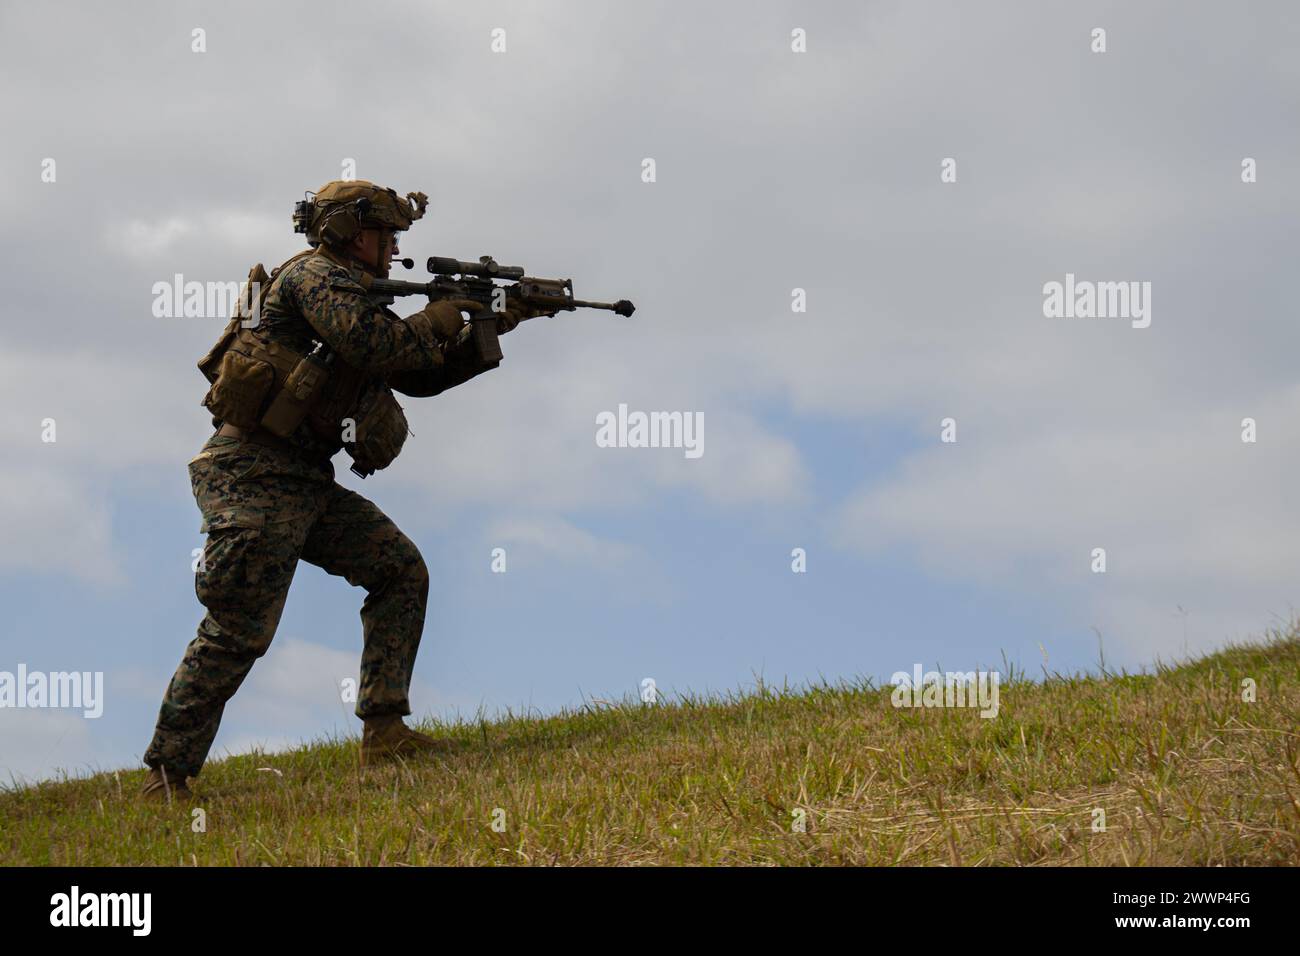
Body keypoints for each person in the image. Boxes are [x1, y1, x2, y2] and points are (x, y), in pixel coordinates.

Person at [140, 179, 547, 800]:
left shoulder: (357, 292)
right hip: (252, 471)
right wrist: (436, 316)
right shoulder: (315, 279)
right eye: (386, 234)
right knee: (240, 626)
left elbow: (419, 377)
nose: (393, 246)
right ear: (354, 233)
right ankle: (167, 775)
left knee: (399, 570)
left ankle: (384, 731)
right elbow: (376, 345)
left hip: (302, 477)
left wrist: (498, 324)